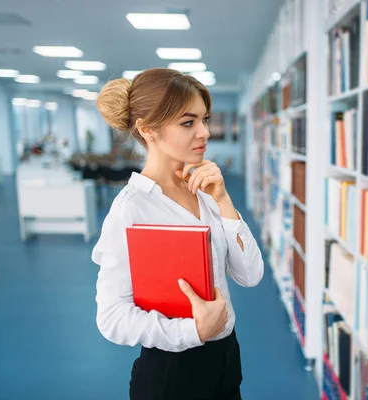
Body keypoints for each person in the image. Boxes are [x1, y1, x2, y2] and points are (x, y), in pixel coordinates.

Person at [91, 68, 264, 400]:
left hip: (227, 357)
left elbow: (251, 275)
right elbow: (112, 317)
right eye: (188, 123)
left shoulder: (205, 189)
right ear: (148, 130)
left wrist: (224, 201)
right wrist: (194, 330)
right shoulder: (131, 209)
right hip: (173, 374)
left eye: (205, 119)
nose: (205, 132)